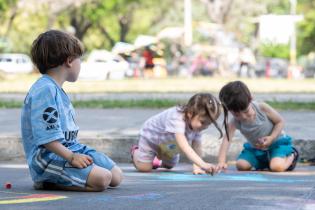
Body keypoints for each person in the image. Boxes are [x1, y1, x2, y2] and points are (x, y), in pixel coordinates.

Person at [21, 30, 123, 191]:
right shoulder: (45, 90)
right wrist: (72, 157)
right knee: (103, 180)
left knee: (116, 176)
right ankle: (47, 180)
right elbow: (47, 139)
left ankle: (68, 177)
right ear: (69, 61)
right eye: (79, 59)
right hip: (48, 157)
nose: (80, 64)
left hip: (71, 149)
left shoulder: (55, 88)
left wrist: (75, 153)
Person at [131, 93, 224, 175]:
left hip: (168, 143)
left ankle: (156, 159)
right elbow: (184, 146)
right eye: (203, 122)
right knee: (144, 168)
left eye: (209, 124)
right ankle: (135, 151)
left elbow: (197, 147)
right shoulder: (176, 117)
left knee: (169, 166)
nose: (205, 127)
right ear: (190, 113)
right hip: (151, 139)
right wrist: (203, 164)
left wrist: (198, 167)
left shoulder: (197, 126)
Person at [216, 81, 299, 172]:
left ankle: (291, 157)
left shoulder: (262, 108)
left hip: (276, 144)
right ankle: (268, 161)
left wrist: (271, 137)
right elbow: (226, 140)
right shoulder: (235, 122)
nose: (243, 116)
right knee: (241, 165)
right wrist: (221, 162)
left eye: (246, 111)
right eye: (236, 114)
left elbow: (280, 122)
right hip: (256, 149)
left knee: (276, 167)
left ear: (251, 99)